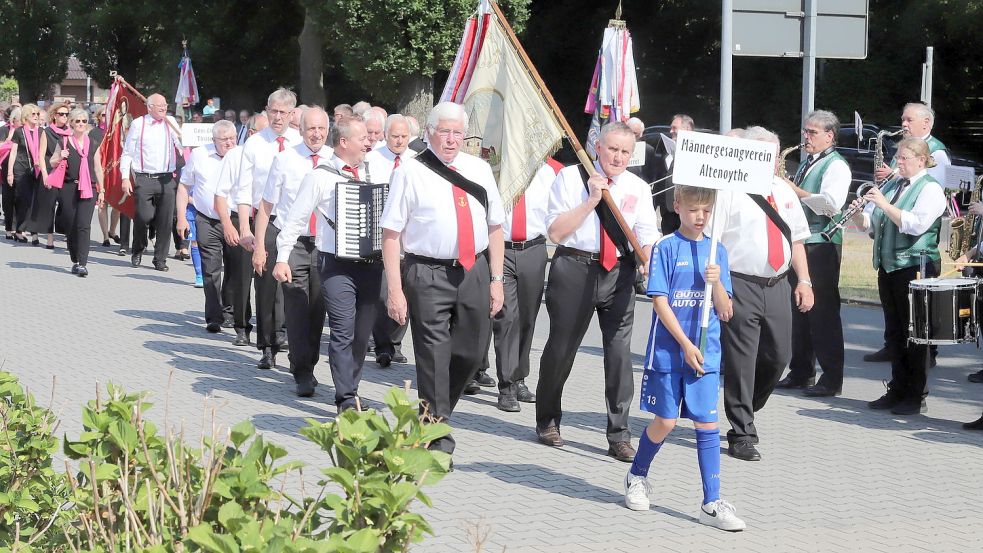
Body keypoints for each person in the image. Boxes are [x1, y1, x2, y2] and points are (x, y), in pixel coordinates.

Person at [381, 101, 505, 458]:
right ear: (430, 132)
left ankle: (431, 417)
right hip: (427, 273)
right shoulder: (410, 171)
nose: (451, 139)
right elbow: (391, 234)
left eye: (457, 133)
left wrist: (496, 279)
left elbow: (496, 226)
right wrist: (395, 290)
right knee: (433, 356)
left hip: (474, 271)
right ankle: (439, 440)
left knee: (470, 352)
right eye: (444, 131)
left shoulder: (479, 169)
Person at [535, 121, 660, 462]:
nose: (618, 157)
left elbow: (647, 232)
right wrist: (592, 200)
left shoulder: (638, 186)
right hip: (575, 267)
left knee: (619, 354)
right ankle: (547, 419)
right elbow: (557, 231)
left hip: (619, 272)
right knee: (562, 347)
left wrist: (649, 257)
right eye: (613, 149)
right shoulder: (570, 178)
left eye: (625, 152)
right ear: (597, 148)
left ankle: (619, 433)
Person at [622, 184, 744, 531]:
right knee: (666, 422)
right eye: (693, 210)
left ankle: (711, 501)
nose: (700, 217)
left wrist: (717, 283)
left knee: (707, 424)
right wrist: (685, 345)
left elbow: (726, 311)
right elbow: (660, 302)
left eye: (707, 211)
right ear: (677, 206)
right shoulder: (665, 247)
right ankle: (637, 476)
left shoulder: (716, 249)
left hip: (707, 354)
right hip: (670, 352)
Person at [713, 126, 813, 462]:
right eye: (762, 153)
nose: (769, 161)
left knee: (778, 356)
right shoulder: (728, 190)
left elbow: (796, 239)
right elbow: (712, 245)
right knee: (742, 361)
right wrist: (719, 290)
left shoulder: (782, 190)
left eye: (773, 154)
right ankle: (741, 432)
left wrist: (805, 281)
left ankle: (744, 406)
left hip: (777, 284)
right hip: (740, 282)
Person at [274, 114, 383, 406]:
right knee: (342, 330)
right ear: (344, 142)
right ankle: (345, 397)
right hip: (336, 264)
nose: (368, 143)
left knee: (362, 334)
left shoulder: (378, 170)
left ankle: (352, 386)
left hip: (373, 264)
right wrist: (282, 258)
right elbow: (294, 221)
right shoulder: (320, 176)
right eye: (363, 139)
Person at [854, 138, 946, 415]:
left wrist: (883, 204)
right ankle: (897, 388)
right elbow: (870, 224)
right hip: (889, 266)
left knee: (915, 333)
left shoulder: (930, 188)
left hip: (916, 267)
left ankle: (916, 395)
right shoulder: (893, 185)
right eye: (898, 158)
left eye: (904, 158)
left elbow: (914, 224)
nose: (898, 163)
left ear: (921, 160)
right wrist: (859, 213)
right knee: (894, 332)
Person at [867, 102, 950, 364]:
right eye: (902, 119)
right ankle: (894, 362)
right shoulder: (903, 157)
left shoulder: (937, 155)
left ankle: (919, 376)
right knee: (897, 320)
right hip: (891, 260)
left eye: (909, 120)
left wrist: (890, 182)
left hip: (916, 258)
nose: (903, 124)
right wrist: (865, 211)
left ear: (926, 123)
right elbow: (885, 203)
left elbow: (927, 200)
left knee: (916, 327)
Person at [775, 110, 851, 397]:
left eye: (812, 132)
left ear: (829, 136)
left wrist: (794, 190)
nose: (806, 137)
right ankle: (801, 370)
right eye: (805, 131)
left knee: (823, 312)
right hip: (802, 241)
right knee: (800, 309)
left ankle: (832, 378)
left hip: (823, 243)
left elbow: (831, 205)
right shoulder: (809, 162)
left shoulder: (837, 166)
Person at [259, 107, 332, 392]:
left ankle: (309, 363)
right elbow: (267, 205)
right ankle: (301, 370)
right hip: (293, 244)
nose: (316, 134)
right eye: (311, 129)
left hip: (325, 245)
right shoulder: (285, 159)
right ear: (300, 130)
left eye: (321, 129)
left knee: (318, 310)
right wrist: (260, 247)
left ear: (328, 131)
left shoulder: (335, 161)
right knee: (297, 307)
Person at [485, 156, 559, 412]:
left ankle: (519, 378)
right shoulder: (496, 167)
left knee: (527, 318)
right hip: (501, 250)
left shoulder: (550, 172)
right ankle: (506, 387)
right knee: (506, 317)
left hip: (534, 249)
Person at [233, 89, 300, 356]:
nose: (278, 117)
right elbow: (243, 190)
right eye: (273, 111)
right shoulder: (255, 144)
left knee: (292, 284)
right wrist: (245, 229)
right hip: (265, 222)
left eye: (283, 112)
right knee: (266, 285)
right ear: (266, 111)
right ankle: (266, 346)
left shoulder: (299, 142)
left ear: (292, 114)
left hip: (294, 222)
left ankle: (285, 337)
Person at [177, 120, 238, 330]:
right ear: (214, 141)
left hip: (235, 221)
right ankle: (214, 316)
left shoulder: (242, 156)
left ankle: (229, 311)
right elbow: (184, 186)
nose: (229, 143)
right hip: (207, 220)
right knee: (211, 269)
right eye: (224, 140)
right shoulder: (200, 155)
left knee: (234, 268)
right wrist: (181, 217)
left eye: (232, 138)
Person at [214, 114, 268, 344]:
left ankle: (272, 330)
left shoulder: (279, 153)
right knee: (242, 277)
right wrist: (228, 225)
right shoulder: (236, 155)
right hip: (241, 219)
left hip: (269, 219)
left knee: (268, 278)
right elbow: (221, 194)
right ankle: (242, 326)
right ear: (253, 133)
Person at [365, 114, 413, 367]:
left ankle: (396, 342)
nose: (399, 141)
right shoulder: (372, 160)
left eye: (404, 137)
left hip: (408, 235)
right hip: (380, 235)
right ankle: (382, 345)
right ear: (385, 134)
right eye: (395, 136)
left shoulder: (416, 161)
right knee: (384, 292)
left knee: (405, 289)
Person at [119, 94, 183, 271]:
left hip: (167, 178)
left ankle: (160, 259)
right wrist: (125, 177)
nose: (163, 107)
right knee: (142, 217)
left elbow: (181, 145)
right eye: (159, 105)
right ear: (149, 107)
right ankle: (138, 248)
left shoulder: (170, 122)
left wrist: (185, 142)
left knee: (165, 220)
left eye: (165, 104)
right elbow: (128, 153)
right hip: (144, 178)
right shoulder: (138, 124)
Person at [58, 108, 105, 277]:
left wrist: (102, 189)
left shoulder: (92, 143)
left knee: (84, 225)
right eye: (77, 121)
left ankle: (82, 263)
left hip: (89, 187)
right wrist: (60, 156)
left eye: (84, 121)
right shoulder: (64, 142)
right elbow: (52, 161)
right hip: (68, 187)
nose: (80, 124)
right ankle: (74, 257)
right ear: (71, 123)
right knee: (71, 225)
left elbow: (98, 168)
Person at [32, 102, 73, 249]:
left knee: (66, 205)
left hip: (66, 173)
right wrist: (44, 174)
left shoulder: (70, 132)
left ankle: (68, 234)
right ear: (54, 116)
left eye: (67, 114)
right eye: (61, 114)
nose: (64, 117)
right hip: (50, 171)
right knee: (48, 205)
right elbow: (41, 155)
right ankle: (49, 237)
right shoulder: (47, 132)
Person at [5, 104, 43, 243]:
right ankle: (20, 230)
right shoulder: (19, 132)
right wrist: (10, 173)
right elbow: (13, 152)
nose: (36, 116)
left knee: (35, 201)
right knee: (25, 200)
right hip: (20, 169)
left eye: (37, 114)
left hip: (37, 169)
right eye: (33, 114)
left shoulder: (41, 132)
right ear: (26, 116)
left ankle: (31, 230)